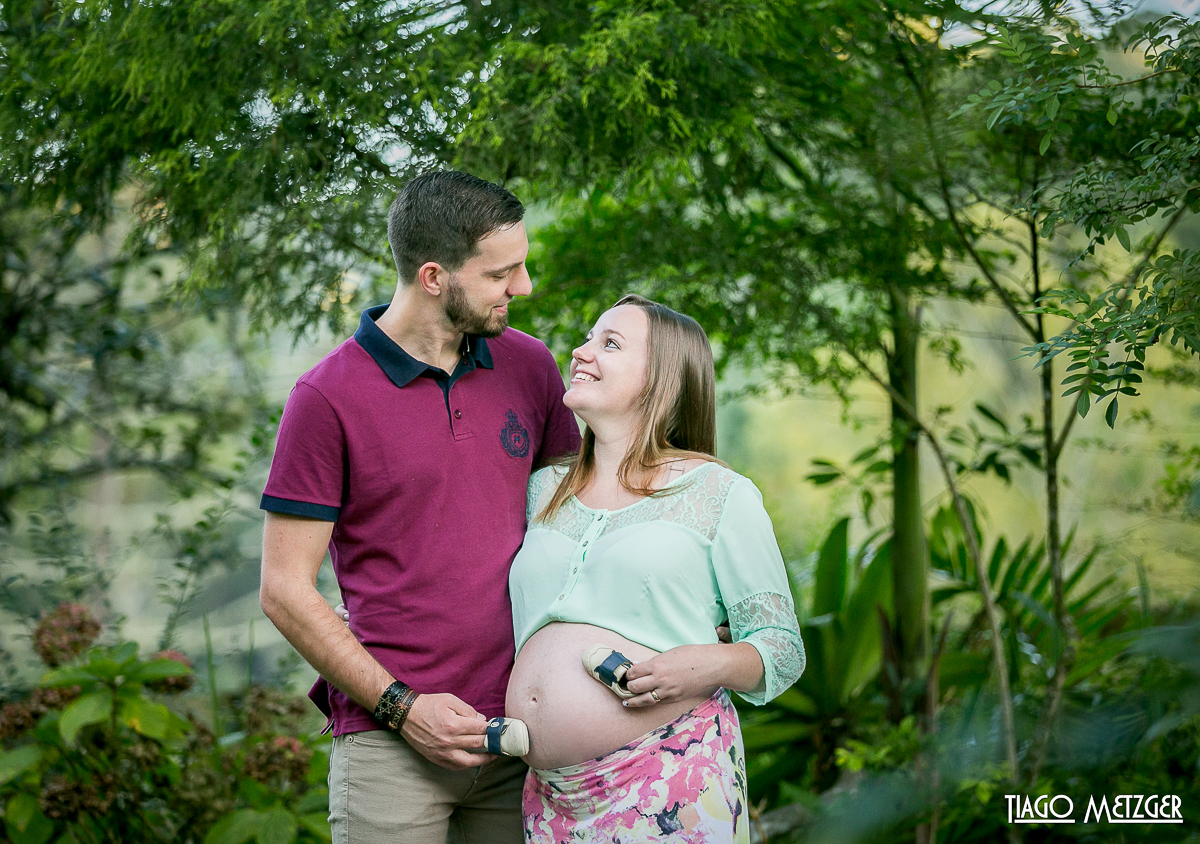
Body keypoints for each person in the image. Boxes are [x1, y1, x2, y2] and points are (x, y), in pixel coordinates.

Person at [258, 170, 581, 844]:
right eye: (503, 273)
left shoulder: (530, 367)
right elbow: (286, 591)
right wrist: (403, 710)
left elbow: (579, 528)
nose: (523, 288)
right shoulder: (325, 398)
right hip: (389, 747)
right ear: (434, 277)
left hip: (525, 732)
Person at [506, 295, 805, 844]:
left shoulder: (719, 493)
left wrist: (703, 665)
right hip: (551, 800)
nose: (581, 351)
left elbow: (782, 648)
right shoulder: (542, 490)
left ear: (661, 380)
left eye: (610, 343)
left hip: (672, 779)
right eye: (589, 336)